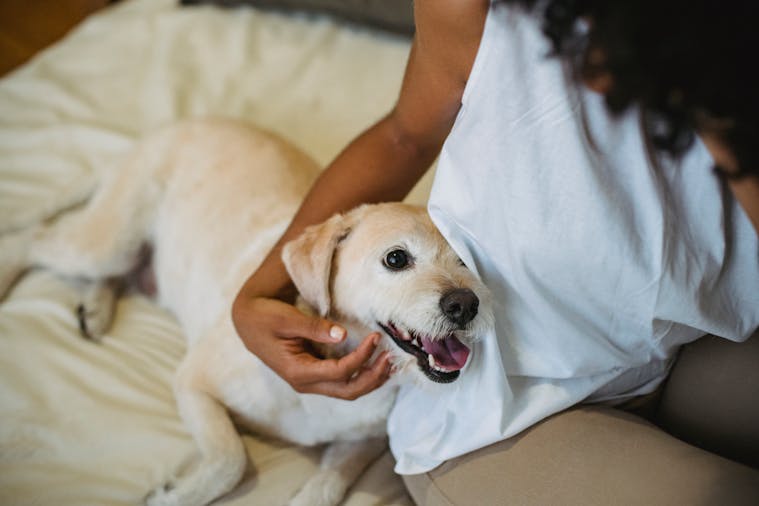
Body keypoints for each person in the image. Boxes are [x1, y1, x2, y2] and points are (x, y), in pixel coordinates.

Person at [232, 0, 759, 501]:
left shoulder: (720, 42)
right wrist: (259, 292)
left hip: (693, 337)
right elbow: (405, 137)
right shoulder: (470, 12)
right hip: (496, 401)